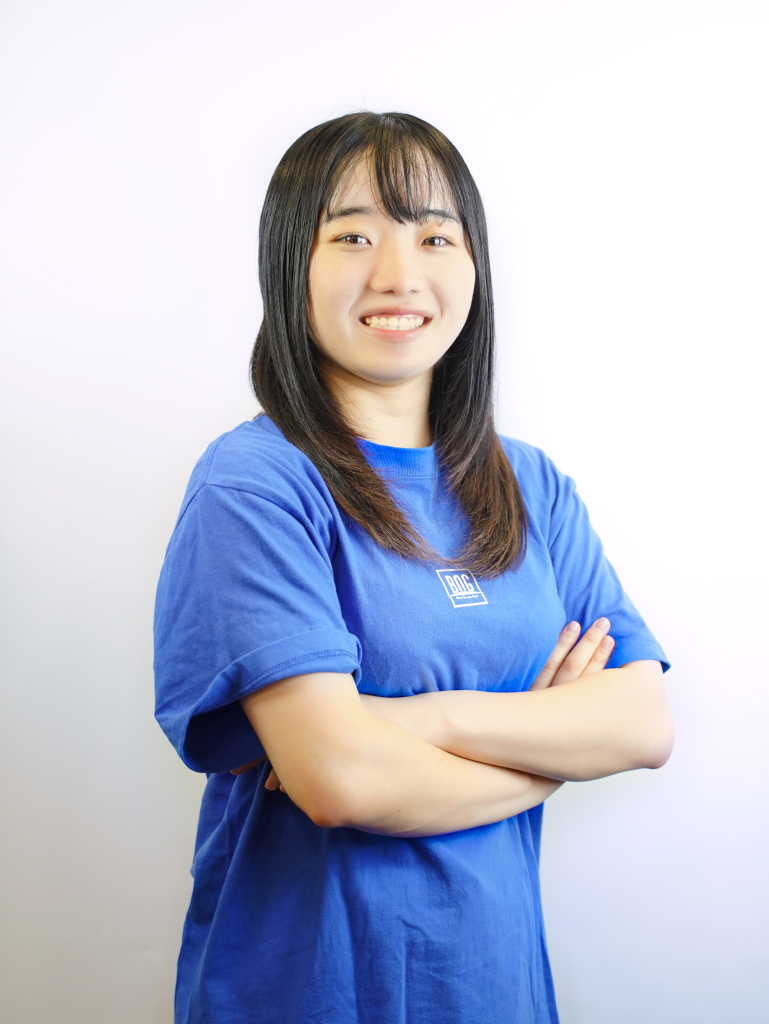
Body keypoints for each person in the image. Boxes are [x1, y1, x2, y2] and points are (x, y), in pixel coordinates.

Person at [153, 111, 673, 1024]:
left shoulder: (528, 485)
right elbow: (340, 781)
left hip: (494, 991)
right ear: (289, 263)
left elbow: (640, 722)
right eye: (353, 236)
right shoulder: (257, 484)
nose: (398, 274)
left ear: (473, 266)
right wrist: (546, 756)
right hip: (307, 995)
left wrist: (418, 718)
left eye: (435, 236)